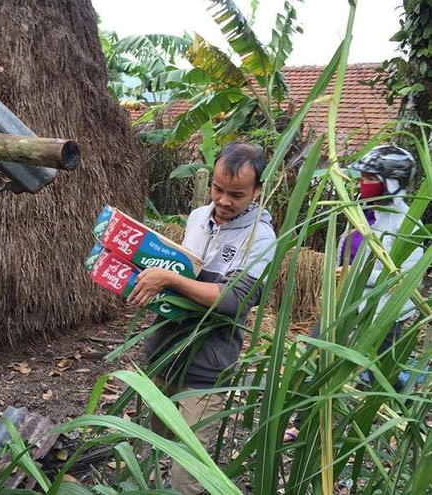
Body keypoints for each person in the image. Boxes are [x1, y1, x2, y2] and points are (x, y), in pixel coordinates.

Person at [127, 141, 276, 494]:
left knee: (188, 473)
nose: (223, 201)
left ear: (258, 191)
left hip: (206, 365)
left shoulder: (261, 238)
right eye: (218, 189)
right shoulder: (197, 218)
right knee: (153, 438)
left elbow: (234, 299)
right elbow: (174, 274)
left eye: (236, 195)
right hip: (164, 351)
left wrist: (171, 279)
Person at [283, 144, 424, 443]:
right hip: (342, 304)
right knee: (316, 356)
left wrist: (356, 276)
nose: (362, 182)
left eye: (370, 177)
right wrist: (339, 275)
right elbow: (344, 251)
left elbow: (404, 277)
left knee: (382, 371)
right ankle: (303, 422)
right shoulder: (359, 211)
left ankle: (409, 422)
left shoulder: (407, 223)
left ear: (391, 182)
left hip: (382, 313)